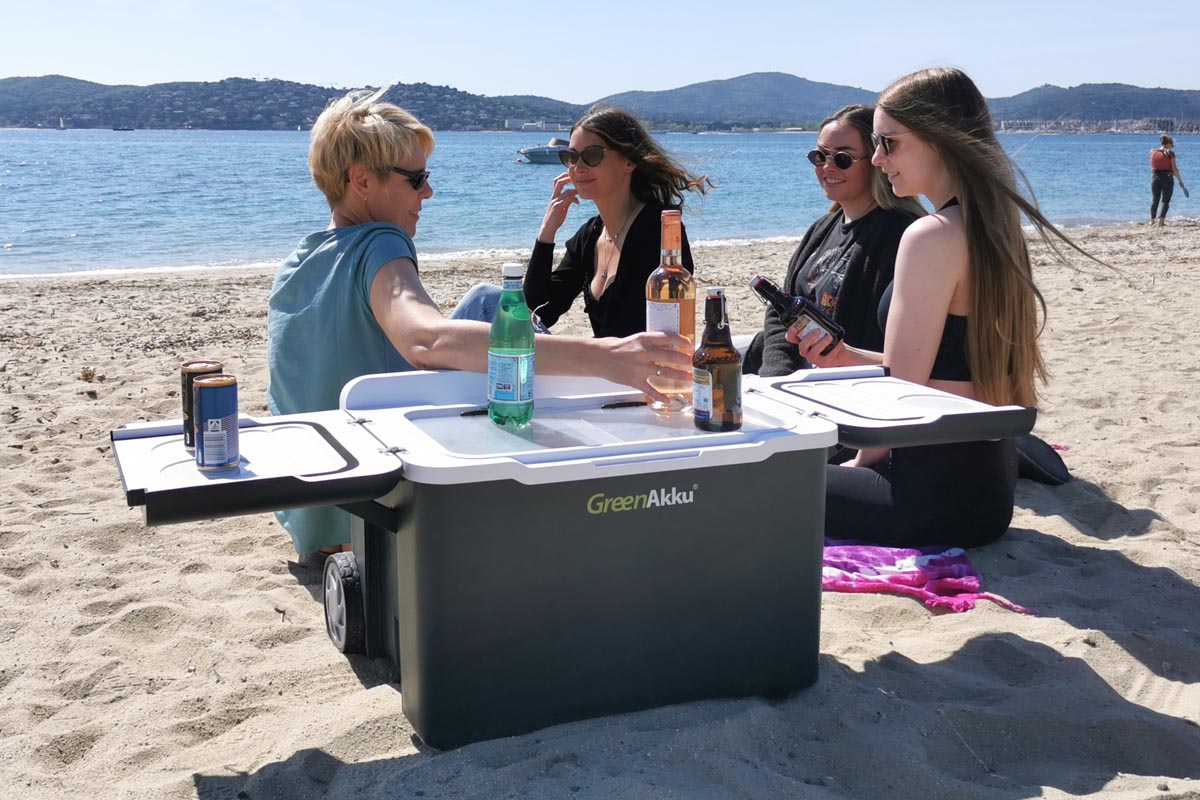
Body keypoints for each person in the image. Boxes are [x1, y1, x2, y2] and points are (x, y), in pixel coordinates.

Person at [267, 90, 692, 559]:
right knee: (493, 308)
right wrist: (607, 357)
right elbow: (425, 340)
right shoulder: (380, 243)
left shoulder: (295, 264)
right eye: (416, 179)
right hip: (374, 517)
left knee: (491, 301)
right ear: (362, 181)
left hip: (309, 512)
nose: (428, 191)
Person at [792, 67, 1092, 548]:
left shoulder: (929, 236)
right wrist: (850, 356)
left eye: (888, 143)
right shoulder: (991, 225)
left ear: (937, 139)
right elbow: (944, 370)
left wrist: (861, 462)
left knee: (754, 478)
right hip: (987, 494)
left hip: (922, 495)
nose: (876, 158)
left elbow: (900, 392)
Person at [746, 104, 925, 377]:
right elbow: (780, 312)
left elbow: (894, 343)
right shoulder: (821, 229)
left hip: (845, 386)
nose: (827, 167)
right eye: (820, 156)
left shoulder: (899, 234)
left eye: (842, 159)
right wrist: (777, 375)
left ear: (876, 161)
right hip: (796, 381)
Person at [524, 106, 710, 337]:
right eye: (571, 157)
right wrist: (546, 233)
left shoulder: (659, 229)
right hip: (599, 365)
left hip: (632, 368)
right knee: (486, 298)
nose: (578, 168)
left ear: (629, 162)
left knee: (484, 300)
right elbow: (540, 311)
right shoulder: (590, 236)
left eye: (592, 155)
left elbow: (650, 333)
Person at [1150, 134, 1186, 226]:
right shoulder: (1170, 154)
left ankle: (1152, 221)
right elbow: (1174, 169)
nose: (1172, 147)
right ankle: (1161, 221)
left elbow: (1153, 167)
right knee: (1165, 201)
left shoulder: (1153, 152)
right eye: (1172, 145)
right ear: (1168, 144)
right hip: (1167, 178)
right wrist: (1180, 181)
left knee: (1155, 200)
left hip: (1155, 177)